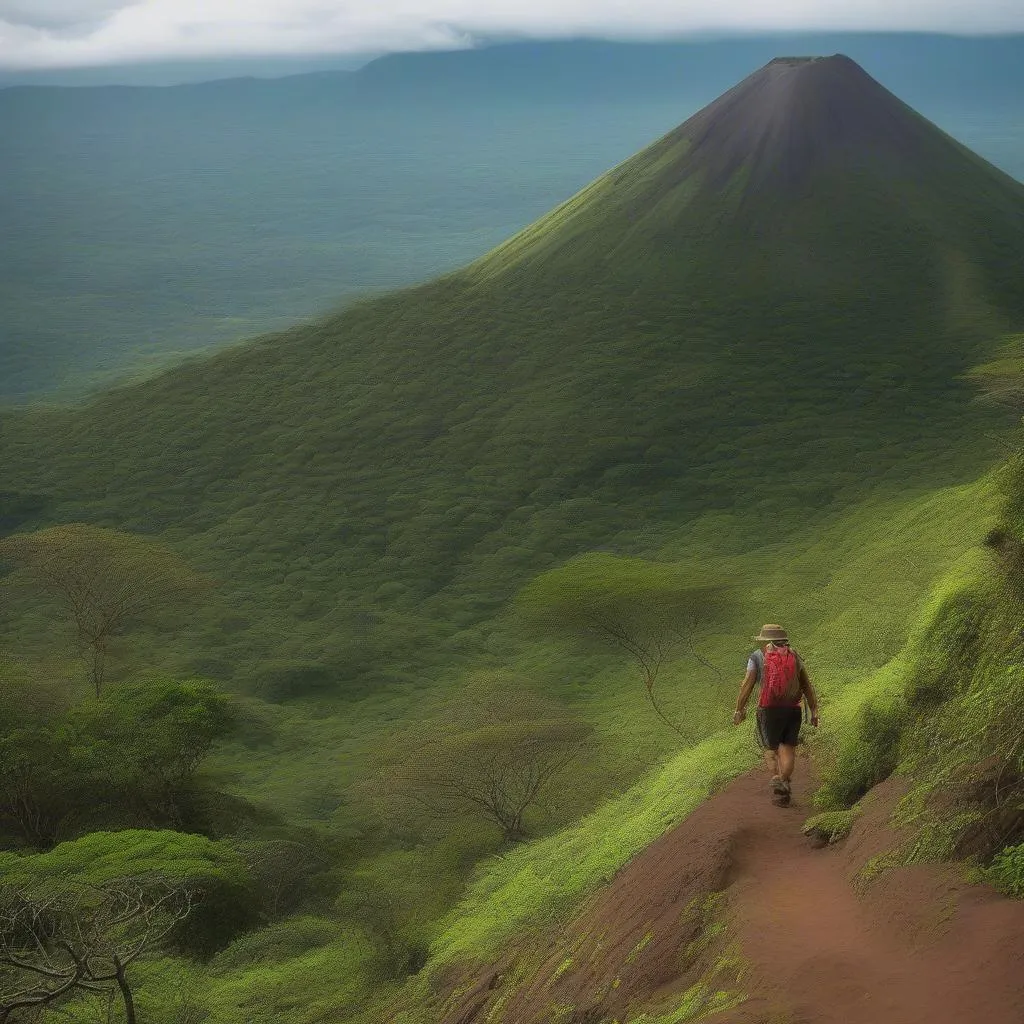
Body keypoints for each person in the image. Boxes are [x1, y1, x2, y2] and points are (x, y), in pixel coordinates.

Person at [732, 623, 819, 804]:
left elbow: (747, 685)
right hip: (793, 709)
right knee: (787, 748)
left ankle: (777, 778)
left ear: (766, 640)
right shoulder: (794, 656)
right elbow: (806, 685)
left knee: (770, 749)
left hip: (768, 710)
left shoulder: (757, 656)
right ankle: (784, 781)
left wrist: (739, 709)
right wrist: (814, 710)